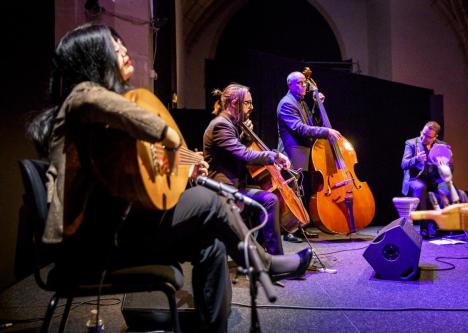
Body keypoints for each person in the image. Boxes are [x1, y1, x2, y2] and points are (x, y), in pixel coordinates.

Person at [26, 24, 312, 333]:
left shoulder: (99, 121)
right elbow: (153, 127)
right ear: (93, 59)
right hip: (90, 247)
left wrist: (177, 167)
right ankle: (263, 264)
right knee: (209, 200)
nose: (123, 50)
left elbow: (131, 177)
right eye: (114, 47)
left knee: (211, 242)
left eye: (122, 45)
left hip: (115, 233)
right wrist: (171, 139)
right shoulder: (84, 98)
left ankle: (211, 326)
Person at [203, 83, 292, 255]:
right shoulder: (221, 125)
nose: (251, 107)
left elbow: (232, 153)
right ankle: (275, 258)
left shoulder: (230, 124)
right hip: (224, 190)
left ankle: (263, 255)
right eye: (248, 103)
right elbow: (244, 155)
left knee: (269, 199)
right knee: (270, 200)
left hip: (234, 185)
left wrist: (243, 136)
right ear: (235, 103)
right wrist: (274, 156)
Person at [277, 71, 341, 242]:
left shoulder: (302, 103)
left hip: (302, 152)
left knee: (301, 191)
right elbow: (300, 128)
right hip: (291, 153)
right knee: (292, 193)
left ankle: (299, 228)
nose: (304, 85)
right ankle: (288, 231)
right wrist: (326, 132)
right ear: (290, 85)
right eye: (299, 83)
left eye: (305, 82)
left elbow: (311, 123)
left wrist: (317, 105)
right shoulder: (286, 104)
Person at [401, 121, 455, 237]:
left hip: (435, 180)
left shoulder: (442, 146)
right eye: (423, 133)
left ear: (435, 137)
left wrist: (445, 164)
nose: (423, 137)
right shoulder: (411, 143)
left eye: (428, 136)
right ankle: (424, 228)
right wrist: (416, 159)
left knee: (447, 189)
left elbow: (451, 168)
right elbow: (404, 164)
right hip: (415, 179)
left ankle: (442, 227)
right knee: (421, 188)